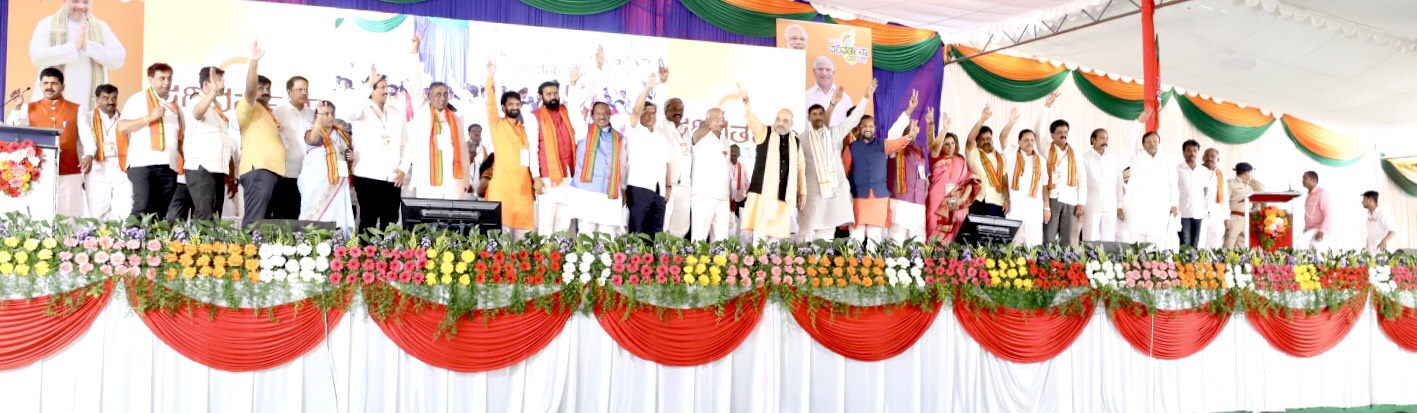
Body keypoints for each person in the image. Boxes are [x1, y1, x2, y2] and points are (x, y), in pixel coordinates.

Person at [799, 79, 876, 241]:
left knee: (827, 233)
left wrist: (866, 97)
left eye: (821, 113)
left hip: (834, 190)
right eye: (814, 114)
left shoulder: (834, 133)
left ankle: (821, 264)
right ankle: (803, 264)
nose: (818, 117)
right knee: (807, 233)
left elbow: (854, 119)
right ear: (808, 118)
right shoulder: (801, 139)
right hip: (812, 193)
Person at [6, 67, 85, 217]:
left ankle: (71, 240)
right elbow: (16, 132)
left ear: (62, 86)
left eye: (54, 83)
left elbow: (87, 139)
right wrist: (16, 107)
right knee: (41, 212)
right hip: (40, 169)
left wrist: (88, 155)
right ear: (40, 85)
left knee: (70, 210)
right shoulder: (28, 108)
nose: (49, 87)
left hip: (68, 169)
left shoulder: (77, 109)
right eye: (45, 83)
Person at [846, 90, 920, 243]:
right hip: (858, 197)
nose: (868, 129)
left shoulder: (883, 145)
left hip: (878, 198)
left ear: (875, 128)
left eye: (871, 126)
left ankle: (873, 266)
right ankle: (851, 266)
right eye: (864, 126)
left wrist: (909, 115)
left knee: (875, 237)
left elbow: (899, 141)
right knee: (856, 236)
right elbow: (844, 173)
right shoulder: (851, 147)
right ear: (859, 128)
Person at [738, 83, 806, 242]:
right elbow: (751, 120)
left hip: (783, 195)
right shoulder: (764, 132)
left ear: (791, 124)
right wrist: (746, 101)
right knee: (760, 237)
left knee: (775, 239)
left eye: (785, 120)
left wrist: (802, 192)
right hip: (762, 193)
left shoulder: (795, 141)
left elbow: (800, 168)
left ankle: (771, 267)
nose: (780, 122)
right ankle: (757, 266)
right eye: (778, 119)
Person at [344, 65, 408, 232]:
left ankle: (389, 257)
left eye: (387, 87)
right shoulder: (361, 109)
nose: (386, 91)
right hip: (367, 175)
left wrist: (403, 168)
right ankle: (365, 257)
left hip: (392, 177)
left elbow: (406, 143)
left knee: (391, 222)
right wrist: (367, 84)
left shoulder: (395, 112)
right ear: (371, 90)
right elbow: (349, 111)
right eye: (381, 87)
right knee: (368, 221)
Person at [524, 69, 588, 236]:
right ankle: (545, 259)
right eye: (548, 93)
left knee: (564, 222)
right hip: (547, 176)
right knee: (546, 222)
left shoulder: (566, 112)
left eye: (555, 93)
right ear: (541, 96)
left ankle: (560, 258)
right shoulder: (534, 117)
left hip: (568, 174)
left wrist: (573, 84)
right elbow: (533, 149)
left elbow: (575, 105)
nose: (553, 96)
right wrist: (536, 178)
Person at [28, 0, 126, 107]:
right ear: (64, 2)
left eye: (86, 2)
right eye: (75, 1)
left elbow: (118, 59)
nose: (80, 6)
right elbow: (37, 57)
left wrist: (88, 47)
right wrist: (72, 48)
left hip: (88, 105)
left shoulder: (101, 27)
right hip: (52, 105)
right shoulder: (46, 24)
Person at [117, 63, 182, 220]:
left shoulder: (174, 104)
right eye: (161, 78)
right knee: (142, 206)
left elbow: (180, 134)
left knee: (160, 212)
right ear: (150, 79)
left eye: (169, 78)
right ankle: (130, 242)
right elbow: (122, 127)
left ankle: (153, 244)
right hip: (142, 163)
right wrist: (149, 118)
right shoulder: (138, 99)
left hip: (169, 164)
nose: (166, 82)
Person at [234, 42, 287, 226]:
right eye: (261, 88)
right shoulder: (249, 107)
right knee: (255, 221)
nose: (266, 92)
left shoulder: (267, 112)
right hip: (259, 169)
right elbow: (250, 89)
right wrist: (254, 62)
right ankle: (246, 254)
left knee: (265, 222)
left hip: (272, 171)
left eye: (268, 89)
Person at [484, 61, 536, 239]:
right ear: (504, 107)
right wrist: (490, 77)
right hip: (502, 190)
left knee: (522, 243)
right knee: (500, 241)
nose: (515, 107)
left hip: (523, 192)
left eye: (517, 104)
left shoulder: (526, 129)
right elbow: (490, 102)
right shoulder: (497, 124)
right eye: (511, 104)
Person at [181, 66, 240, 221]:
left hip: (217, 169)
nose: (223, 86)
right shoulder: (196, 101)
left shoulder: (216, 109)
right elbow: (197, 113)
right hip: (202, 168)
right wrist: (213, 93)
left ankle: (211, 246)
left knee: (214, 216)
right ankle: (203, 246)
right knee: (204, 216)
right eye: (219, 81)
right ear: (207, 85)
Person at [566, 102, 628, 236]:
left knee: (608, 233)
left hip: (610, 191)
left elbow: (622, 164)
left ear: (610, 115)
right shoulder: (583, 131)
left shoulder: (619, 137)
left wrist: (623, 188)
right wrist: (573, 85)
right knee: (586, 231)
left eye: (605, 113)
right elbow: (573, 112)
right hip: (587, 191)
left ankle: (605, 257)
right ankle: (585, 258)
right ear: (592, 116)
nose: (602, 116)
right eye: (598, 113)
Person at [624, 72, 675, 235]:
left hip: (659, 191)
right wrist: (649, 86)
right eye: (646, 112)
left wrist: (668, 187)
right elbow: (636, 111)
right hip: (639, 188)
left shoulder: (660, 137)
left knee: (656, 234)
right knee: (638, 232)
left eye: (653, 112)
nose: (650, 115)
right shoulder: (634, 130)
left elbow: (667, 164)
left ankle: (652, 261)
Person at [1118, 110, 1178, 247]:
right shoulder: (1136, 157)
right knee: (1136, 245)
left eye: (1155, 141)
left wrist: (1174, 204)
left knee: (1155, 246)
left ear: (1159, 143)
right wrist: (1138, 123)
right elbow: (1128, 141)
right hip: (1138, 208)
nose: (1152, 144)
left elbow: (1174, 184)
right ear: (1143, 144)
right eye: (1149, 141)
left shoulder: (1167, 160)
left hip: (1159, 209)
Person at [298, 102, 357, 234]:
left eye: (332, 113)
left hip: (338, 184)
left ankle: (340, 247)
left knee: (338, 215)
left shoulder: (341, 134)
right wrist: (318, 119)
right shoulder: (313, 132)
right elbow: (313, 140)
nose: (330, 117)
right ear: (317, 116)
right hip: (316, 183)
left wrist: (351, 156)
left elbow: (346, 155)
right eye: (325, 114)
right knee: (315, 218)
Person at [1034, 92, 1084, 245]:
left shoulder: (1075, 152)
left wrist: (1081, 202)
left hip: (1070, 199)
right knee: (1048, 237)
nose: (1063, 135)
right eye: (1059, 132)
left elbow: (1082, 178)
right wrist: (1047, 106)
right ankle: (1047, 265)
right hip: (1052, 198)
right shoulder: (1045, 148)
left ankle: (1065, 268)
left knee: (1067, 239)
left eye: (1065, 132)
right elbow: (1037, 130)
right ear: (1052, 134)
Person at [406, 80, 471, 201]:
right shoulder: (423, 113)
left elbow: (463, 151)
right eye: (438, 94)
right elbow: (416, 87)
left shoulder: (454, 118)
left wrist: (466, 181)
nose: (443, 98)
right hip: (428, 180)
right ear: (429, 96)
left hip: (453, 181)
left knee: (452, 216)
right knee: (429, 216)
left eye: (445, 94)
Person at [78, 83, 132, 220]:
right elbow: (81, 145)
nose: (110, 102)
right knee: (97, 215)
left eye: (114, 98)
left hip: (121, 171)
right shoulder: (88, 118)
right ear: (97, 100)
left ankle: (121, 241)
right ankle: (97, 241)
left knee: (124, 212)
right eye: (105, 98)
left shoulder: (125, 119)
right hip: (97, 171)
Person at [926, 109, 976, 243]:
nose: (950, 147)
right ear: (941, 146)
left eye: (952, 143)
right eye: (946, 144)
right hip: (936, 203)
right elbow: (933, 146)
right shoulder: (935, 158)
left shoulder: (961, 160)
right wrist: (941, 128)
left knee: (955, 237)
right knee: (934, 235)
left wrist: (962, 199)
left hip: (956, 203)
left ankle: (954, 263)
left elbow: (971, 183)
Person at [268, 76, 314, 219]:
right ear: (289, 91)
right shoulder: (279, 112)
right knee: (282, 215)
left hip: (307, 174)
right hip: (285, 173)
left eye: (306, 89)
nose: (304, 93)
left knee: (301, 215)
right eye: (299, 89)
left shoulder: (312, 114)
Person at [689, 108, 733, 241]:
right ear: (707, 120)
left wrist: (729, 197)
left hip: (723, 196)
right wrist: (709, 124)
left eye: (722, 117)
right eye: (716, 117)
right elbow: (694, 138)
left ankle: (720, 261)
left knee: (721, 237)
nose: (721, 120)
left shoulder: (725, 140)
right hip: (704, 194)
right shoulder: (700, 136)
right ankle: (695, 261)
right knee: (699, 236)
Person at [964, 106, 1013, 218]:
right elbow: (970, 139)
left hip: (997, 203)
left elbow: (1004, 182)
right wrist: (982, 119)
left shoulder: (1000, 157)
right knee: (977, 235)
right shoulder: (973, 152)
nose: (986, 141)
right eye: (982, 139)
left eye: (989, 138)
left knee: (996, 234)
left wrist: (1007, 199)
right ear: (977, 142)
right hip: (978, 200)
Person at [1081, 126, 1123, 242]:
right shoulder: (1084, 158)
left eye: (1106, 139)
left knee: (1109, 239)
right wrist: (1080, 203)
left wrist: (1120, 205)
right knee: (1090, 238)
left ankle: (1107, 260)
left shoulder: (1114, 160)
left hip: (1110, 205)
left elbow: (1119, 183)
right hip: (1091, 204)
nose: (1105, 141)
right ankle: (1088, 260)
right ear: (1093, 140)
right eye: (1101, 138)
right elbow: (1081, 183)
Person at [1176, 139, 1209, 247]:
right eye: (1189, 150)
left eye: (1195, 150)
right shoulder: (1177, 169)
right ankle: (1182, 264)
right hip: (1182, 212)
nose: (1192, 153)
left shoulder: (1203, 171)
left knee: (1195, 243)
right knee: (1184, 242)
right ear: (1184, 153)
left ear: (1198, 153)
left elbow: (1205, 190)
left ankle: (1192, 264)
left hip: (1198, 212)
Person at [1223, 162, 1264, 249]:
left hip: (1245, 218)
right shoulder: (1231, 183)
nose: (1250, 175)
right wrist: (1226, 218)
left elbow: (1253, 204)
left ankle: (1240, 262)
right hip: (1234, 217)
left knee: (1242, 243)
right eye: (1250, 172)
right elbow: (1224, 201)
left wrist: (1255, 205)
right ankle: (1224, 262)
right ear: (1245, 173)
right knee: (1229, 242)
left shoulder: (1249, 187)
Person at [804, 56, 851, 127]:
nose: (824, 73)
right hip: (812, 137)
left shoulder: (845, 98)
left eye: (828, 69)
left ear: (833, 72)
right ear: (814, 71)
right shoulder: (805, 96)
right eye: (820, 69)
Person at [1201, 148, 1228, 248]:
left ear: (1218, 159)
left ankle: (1212, 263)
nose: (1210, 158)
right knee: (1200, 239)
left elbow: (1225, 198)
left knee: (1215, 239)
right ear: (1203, 158)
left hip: (1217, 212)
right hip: (1200, 211)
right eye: (1207, 155)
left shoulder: (1221, 175)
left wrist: (1226, 217)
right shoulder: (1196, 171)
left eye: (1213, 156)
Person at [1301, 171, 1332, 250]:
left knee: (1300, 245)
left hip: (1319, 230)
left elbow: (1328, 214)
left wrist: (1322, 230)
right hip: (1310, 230)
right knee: (1304, 251)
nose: (1302, 180)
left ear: (1313, 180)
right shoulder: (1309, 195)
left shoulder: (1322, 193)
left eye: (1305, 178)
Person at [466, 124, 490, 199]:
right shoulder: (462, 147)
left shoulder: (485, 150)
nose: (477, 133)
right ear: (469, 134)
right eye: (474, 131)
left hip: (481, 191)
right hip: (466, 190)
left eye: (479, 132)